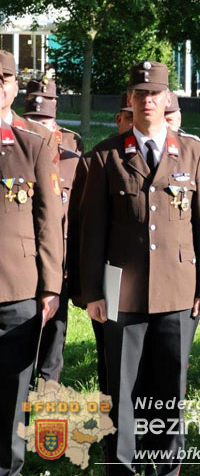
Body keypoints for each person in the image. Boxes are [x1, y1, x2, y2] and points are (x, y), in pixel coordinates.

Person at [80, 60, 200, 476]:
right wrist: (91, 293)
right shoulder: (106, 155)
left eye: (154, 94)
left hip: (178, 290)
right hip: (123, 294)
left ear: (167, 99)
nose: (147, 101)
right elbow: (91, 232)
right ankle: (121, 468)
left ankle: (166, 468)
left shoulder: (192, 151)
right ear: (130, 100)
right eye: (139, 94)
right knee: (120, 390)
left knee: (169, 389)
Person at [0, 56, 63, 476]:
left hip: (17, 288)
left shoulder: (34, 140)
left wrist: (51, 286)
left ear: (14, 86)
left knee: (11, 394)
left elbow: (48, 218)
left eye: (3, 79)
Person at [67, 91, 134, 395]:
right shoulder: (97, 158)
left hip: (154, 280)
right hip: (111, 277)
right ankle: (113, 432)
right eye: (129, 116)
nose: (137, 122)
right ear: (119, 119)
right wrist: (83, 287)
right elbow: (82, 226)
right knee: (112, 358)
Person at [22, 88, 82, 384]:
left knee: (55, 330)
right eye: (31, 118)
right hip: (22, 261)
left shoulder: (72, 161)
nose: (37, 126)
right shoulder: (15, 158)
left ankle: (47, 389)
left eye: (44, 120)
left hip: (60, 261)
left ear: (56, 127)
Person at [24, 76, 83, 153]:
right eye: (33, 121)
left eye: (43, 123)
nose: (38, 128)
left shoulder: (71, 142)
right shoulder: (12, 137)